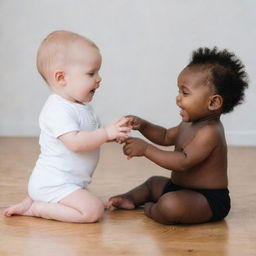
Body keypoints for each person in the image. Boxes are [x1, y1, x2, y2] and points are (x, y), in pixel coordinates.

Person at [107, 47, 248, 225]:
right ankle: (129, 198)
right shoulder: (188, 123)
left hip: (207, 200)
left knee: (170, 205)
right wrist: (143, 125)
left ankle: (152, 209)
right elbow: (165, 136)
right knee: (153, 183)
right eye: (179, 91)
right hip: (179, 188)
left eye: (185, 92)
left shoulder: (210, 132)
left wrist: (146, 149)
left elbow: (183, 162)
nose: (178, 98)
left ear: (213, 102)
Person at [3, 30, 131, 223]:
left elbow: (90, 137)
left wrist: (112, 135)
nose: (99, 78)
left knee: (88, 203)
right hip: (55, 184)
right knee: (93, 211)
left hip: (66, 182)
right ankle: (37, 208)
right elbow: (76, 143)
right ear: (61, 78)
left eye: (98, 72)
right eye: (91, 73)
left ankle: (34, 200)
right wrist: (105, 133)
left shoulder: (81, 107)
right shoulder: (56, 109)